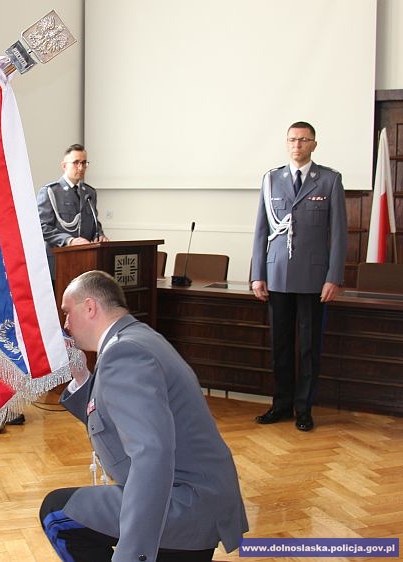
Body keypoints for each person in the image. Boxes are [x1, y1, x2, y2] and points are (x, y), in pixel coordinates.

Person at [40, 270, 248, 562]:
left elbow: (152, 454)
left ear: (89, 307)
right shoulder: (133, 338)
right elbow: (113, 415)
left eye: (67, 313)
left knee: (57, 511)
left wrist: (133, 553)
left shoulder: (123, 352)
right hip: (196, 495)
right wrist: (79, 376)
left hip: (184, 503)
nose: (65, 324)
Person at [251, 121, 347, 432]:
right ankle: (281, 405)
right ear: (286, 142)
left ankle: (304, 408)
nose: (297, 145)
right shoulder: (271, 179)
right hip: (277, 275)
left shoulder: (329, 180)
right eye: (292, 139)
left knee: (308, 347)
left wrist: (334, 277)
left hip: (313, 279)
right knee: (279, 346)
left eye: (304, 140)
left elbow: (339, 235)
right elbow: (261, 231)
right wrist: (257, 274)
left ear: (314, 144)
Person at [37, 143, 108, 279]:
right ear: (64, 166)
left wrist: (100, 236)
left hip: (85, 262)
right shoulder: (50, 192)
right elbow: (42, 227)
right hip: (59, 262)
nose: (80, 167)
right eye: (76, 162)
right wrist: (69, 240)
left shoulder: (89, 192)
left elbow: (94, 223)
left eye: (84, 163)